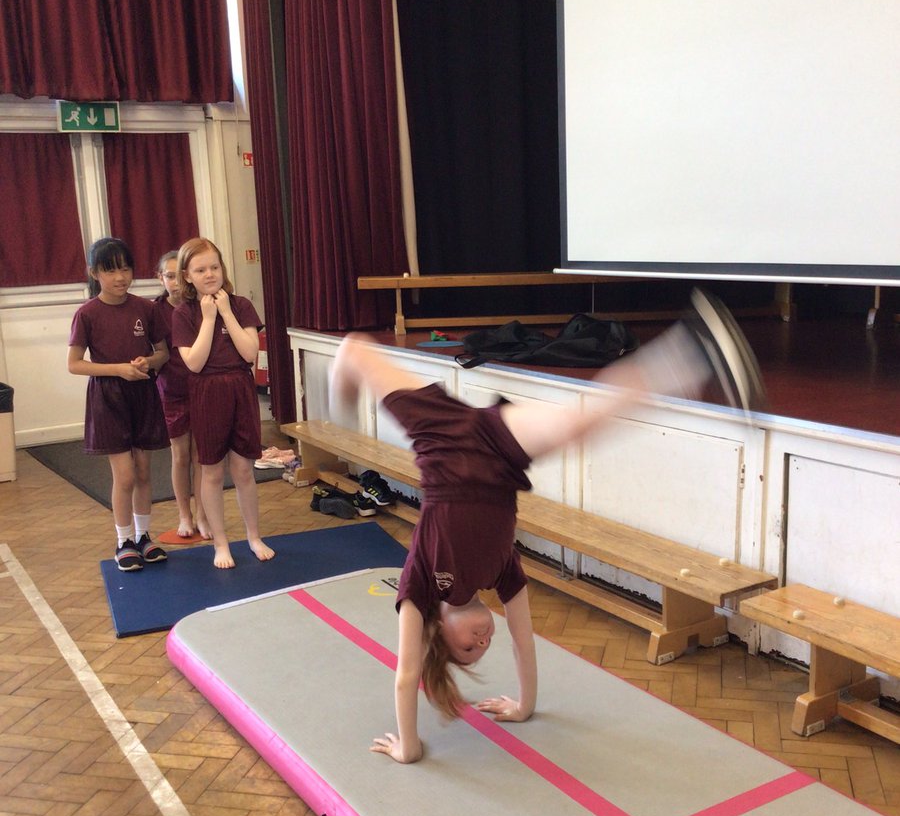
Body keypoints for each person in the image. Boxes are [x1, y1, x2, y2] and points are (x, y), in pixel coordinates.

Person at [328, 289, 766, 764]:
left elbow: (406, 673)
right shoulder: (503, 573)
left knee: (359, 352)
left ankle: (350, 358)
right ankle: (691, 349)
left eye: (467, 648)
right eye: (482, 648)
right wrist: (524, 705)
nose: (482, 641)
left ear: (439, 630)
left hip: (444, 442)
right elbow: (523, 642)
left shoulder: (420, 585)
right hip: (497, 451)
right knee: (582, 424)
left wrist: (408, 747)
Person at [67, 237, 170, 573]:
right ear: (95, 273)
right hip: (108, 397)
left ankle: (143, 537)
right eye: (111, 270)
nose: (120, 277)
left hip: (142, 393)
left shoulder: (147, 308)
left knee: (143, 472)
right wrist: (119, 370)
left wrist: (146, 362)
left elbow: (163, 353)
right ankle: (123, 540)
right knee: (124, 476)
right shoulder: (87, 313)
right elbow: (75, 364)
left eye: (125, 268)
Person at [171, 237, 273, 570]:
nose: (209, 274)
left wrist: (226, 311)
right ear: (187, 275)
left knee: (243, 470)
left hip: (240, 389)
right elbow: (194, 363)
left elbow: (248, 353)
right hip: (206, 392)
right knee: (211, 471)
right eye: (200, 269)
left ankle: (254, 536)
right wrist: (209, 318)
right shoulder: (184, 314)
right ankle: (220, 543)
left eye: (214, 266)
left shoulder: (241, 305)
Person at [154, 251, 209, 540]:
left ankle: (202, 514)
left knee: (202, 455)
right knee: (180, 454)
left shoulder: (198, 306)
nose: (175, 282)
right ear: (160, 278)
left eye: (179, 275)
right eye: (169, 276)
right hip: (171, 390)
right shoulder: (155, 311)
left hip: (200, 387)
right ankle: (184, 515)